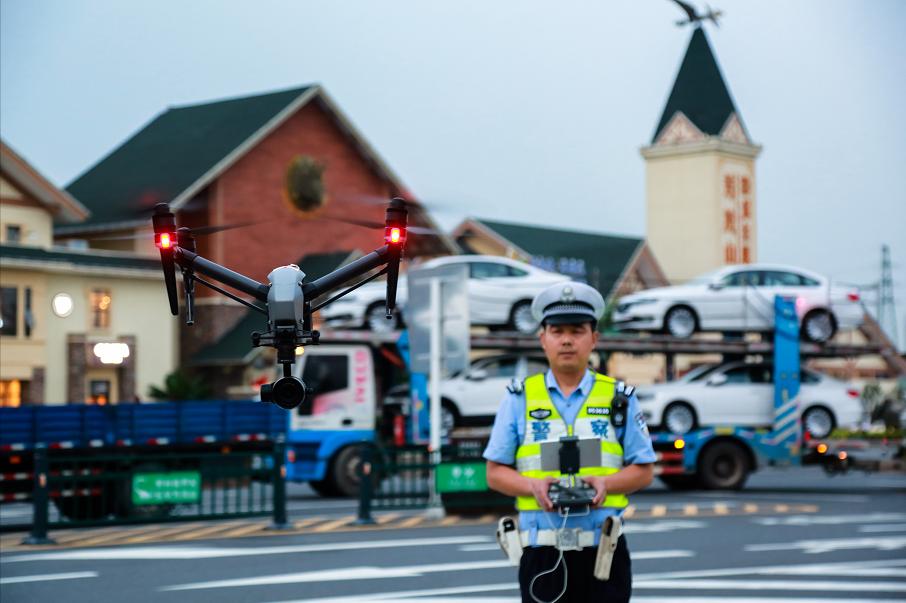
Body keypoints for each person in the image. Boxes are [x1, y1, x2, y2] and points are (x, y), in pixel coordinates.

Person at [484, 282, 655, 603]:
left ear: (594, 339)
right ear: (543, 339)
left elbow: (644, 471)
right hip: (542, 552)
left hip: (604, 553)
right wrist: (533, 487)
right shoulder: (519, 398)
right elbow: (494, 473)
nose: (566, 340)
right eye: (557, 331)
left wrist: (606, 483)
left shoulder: (619, 397)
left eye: (577, 331)